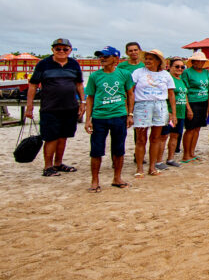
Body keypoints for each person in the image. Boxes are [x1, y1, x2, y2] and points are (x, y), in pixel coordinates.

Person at [25, 38, 85, 177]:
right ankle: (48, 166)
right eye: (58, 49)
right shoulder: (43, 64)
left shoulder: (74, 64)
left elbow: (79, 85)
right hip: (50, 107)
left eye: (65, 49)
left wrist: (82, 102)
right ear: (52, 49)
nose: (61, 51)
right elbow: (33, 85)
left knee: (63, 137)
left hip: (70, 107)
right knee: (51, 137)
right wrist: (29, 106)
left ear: (70, 50)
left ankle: (58, 163)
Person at [84, 46, 134, 191]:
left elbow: (130, 94)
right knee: (96, 150)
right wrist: (88, 119)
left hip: (119, 115)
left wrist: (130, 114)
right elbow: (90, 98)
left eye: (106, 56)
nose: (102, 58)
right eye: (101, 56)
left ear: (115, 58)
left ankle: (117, 177)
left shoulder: (124, 74)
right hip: (99, 117)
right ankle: (95, 181)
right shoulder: (95, 76)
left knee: (119, 149)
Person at [130, 49, 176, 177]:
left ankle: (152, 167)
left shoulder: (166, 75)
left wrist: (173, 113)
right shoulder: (138, 73)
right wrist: (130, 111)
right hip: (142, 105)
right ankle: (139, 168)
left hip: (160, 105)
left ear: (158, 61)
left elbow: (171, 95)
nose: (147, 61)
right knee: (141, 138)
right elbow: (131, 92)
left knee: (156, 138)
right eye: (146, 58)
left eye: (151, 59)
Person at [181, 51, 209, 161]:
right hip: (192, 102)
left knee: (197, 129)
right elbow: (184, 91)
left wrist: (208, 106)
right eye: (197, 61)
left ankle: (192, 152)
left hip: (203, 102)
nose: (200, 63)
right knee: (190, 129)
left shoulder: (205, 72)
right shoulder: (187, 73)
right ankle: (186, 154)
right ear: (193, 62)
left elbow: (207, 90)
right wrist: (188, 108)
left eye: (202, 61)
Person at [163, 57, 190, 166]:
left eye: (182, 67)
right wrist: (168, 112)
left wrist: (188, 109)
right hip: (169, 113)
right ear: (170, 67)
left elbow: (185, 95)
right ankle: (158, 160)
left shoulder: (181, 80)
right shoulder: (167, 79)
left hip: (180, 112)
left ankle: (170, 158)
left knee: (175, 135)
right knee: (163, 136)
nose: (180, 69)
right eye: (177, 66)